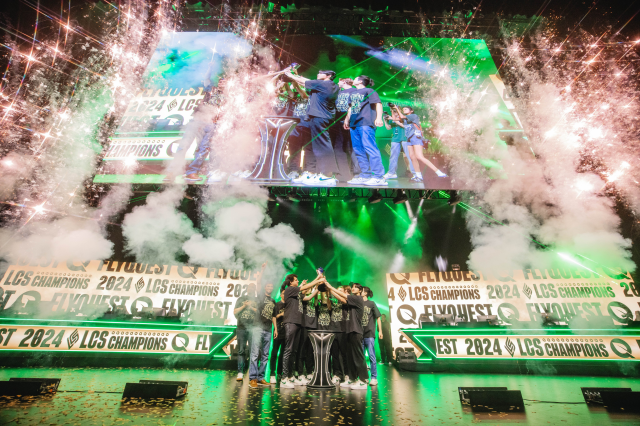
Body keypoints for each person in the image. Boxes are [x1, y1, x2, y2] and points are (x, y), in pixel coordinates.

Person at [285, 67, 340, 186]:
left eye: (321, 72)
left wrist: (289, 74)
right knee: (320, 146)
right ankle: (324, 174)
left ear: (328, 76)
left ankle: (327, 175)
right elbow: (303, 83)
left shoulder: (325, 84)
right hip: (321, 117)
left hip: (319, 117)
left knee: (323, 146)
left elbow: (304, 81)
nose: (318, 73)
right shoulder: (328, 86)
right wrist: (296, 75)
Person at [280, 272, 324, 389]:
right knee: (288, 350)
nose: (297, 281)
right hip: (290, 322)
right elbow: (304, 288)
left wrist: (317, 289)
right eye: (295, 280)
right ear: (290, 282)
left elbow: (308, 297)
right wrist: (318, 279)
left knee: (294, 351)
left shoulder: (297, 294)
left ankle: (290, 376)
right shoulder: (290, 289)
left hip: (298, 323)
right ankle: (284, 378)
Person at [324, 281, 369, 389]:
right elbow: (342, 299)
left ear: (360, 290)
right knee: (351, 357)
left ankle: (363, 380)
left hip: (356, 331)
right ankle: (353, 379)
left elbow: (344, 296)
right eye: (352, 287)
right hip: (349, 331)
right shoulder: (351, 300)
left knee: (358, 356)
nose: (353, 288)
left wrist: (330, 286)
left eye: (355, 287)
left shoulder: (357, 299)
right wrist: (330, 290)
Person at [344, 76, 387, 187]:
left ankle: (378, 176)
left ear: (360, 81)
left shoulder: (369, 91)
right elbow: (351, 107)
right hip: (354, 123)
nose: (353, 79)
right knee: (358, 149)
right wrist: (347, 119)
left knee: (370, 148)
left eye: (355, 78)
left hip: (366, 122)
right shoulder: (353, 93)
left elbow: (378, 104)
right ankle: (365, 175)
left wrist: (379, 118)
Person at [392, 105, 447, 182]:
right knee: (411, 157)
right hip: (409, 139)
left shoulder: (413, 116)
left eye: (406, 109)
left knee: (419, 156)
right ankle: (418, 176)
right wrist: (392, 110)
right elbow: (395, 119)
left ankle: (439, 172)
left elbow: (401, 116)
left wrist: (397, 108)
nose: (404, 110)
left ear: (411, 111)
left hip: (416, 137)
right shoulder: (405, 119)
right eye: (403, 109)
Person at [331, 78, 360, 179]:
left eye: (339, 81)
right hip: (337, 122)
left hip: (351, 122)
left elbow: (354, 106)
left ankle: (357, 173)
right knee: (338, 148)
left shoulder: (355, 91)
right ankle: (341, 173)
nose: (337, 83)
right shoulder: (338, 92)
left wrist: (349, 119)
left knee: (352, 147)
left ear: (344, 82)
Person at [249, 282, 276, 389]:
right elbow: (258, 283)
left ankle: (261, 377)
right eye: (268, 285)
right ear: (265, 287)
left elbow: (273, 316)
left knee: (265, 355)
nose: (270, 287)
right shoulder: (261, 296)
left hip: (268, 330)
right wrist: (262, 269)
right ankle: (253, 378)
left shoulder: (273, 301)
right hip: (257, 328)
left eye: (271, 286)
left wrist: (276, 329)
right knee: (255, 353)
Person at [233, 283, 258, 381]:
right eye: (250, 287)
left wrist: (250, 307)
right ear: (247, 289)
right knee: (241, 351)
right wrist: (244, 306)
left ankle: (252, 373)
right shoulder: (241, 299)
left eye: (253, 287)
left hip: (253, 328)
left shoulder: (257, 300)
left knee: (253, 351)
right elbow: (235, 312)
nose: (251, 289)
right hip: (241, 328)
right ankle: (240, 372)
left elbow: (259, 312)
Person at [295, 284, 319, 384]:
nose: (310, 289)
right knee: (302, 351)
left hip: (313, 327)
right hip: (304, 326)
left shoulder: (314, 299)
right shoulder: (301, 297)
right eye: (308, 288)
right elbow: (306, 297)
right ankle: (300, 373)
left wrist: (317, 289)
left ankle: (309, 371)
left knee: (311, 351)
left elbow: (316, 302)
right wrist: (314, 290)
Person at [383, 108, 416, 179]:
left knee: (409, 156)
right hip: (395, 139)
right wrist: (385, 120)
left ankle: (416, 174)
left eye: (395, 111)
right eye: (393, 111)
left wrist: (393, 119)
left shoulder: (403, 117)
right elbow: (388, 128)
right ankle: (391, 173)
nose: (395, 113)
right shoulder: (392, 118)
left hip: (405, 138)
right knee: (393, 157)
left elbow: (405, 126)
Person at [361, 286, 382, 386]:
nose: (360, 291)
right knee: (360, 357)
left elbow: (378, 317)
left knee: (372, 356)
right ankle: (363, 377)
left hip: (369, 333)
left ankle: (374, 378)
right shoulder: (358, 302)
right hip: (360, 333)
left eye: (362, 290)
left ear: (365, 293)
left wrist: (380, 331)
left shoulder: (371, 303)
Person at [269, 288, 286, 384]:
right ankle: (272, 373)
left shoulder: (289, 304)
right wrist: (281, 314)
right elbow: (274, 317)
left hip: (286, 332)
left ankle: (280, 372)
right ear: (281, 295)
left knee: (283, 354)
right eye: (284, 293)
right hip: (278, 331)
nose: (285, 295)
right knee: (274, 352)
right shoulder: (277, 304)